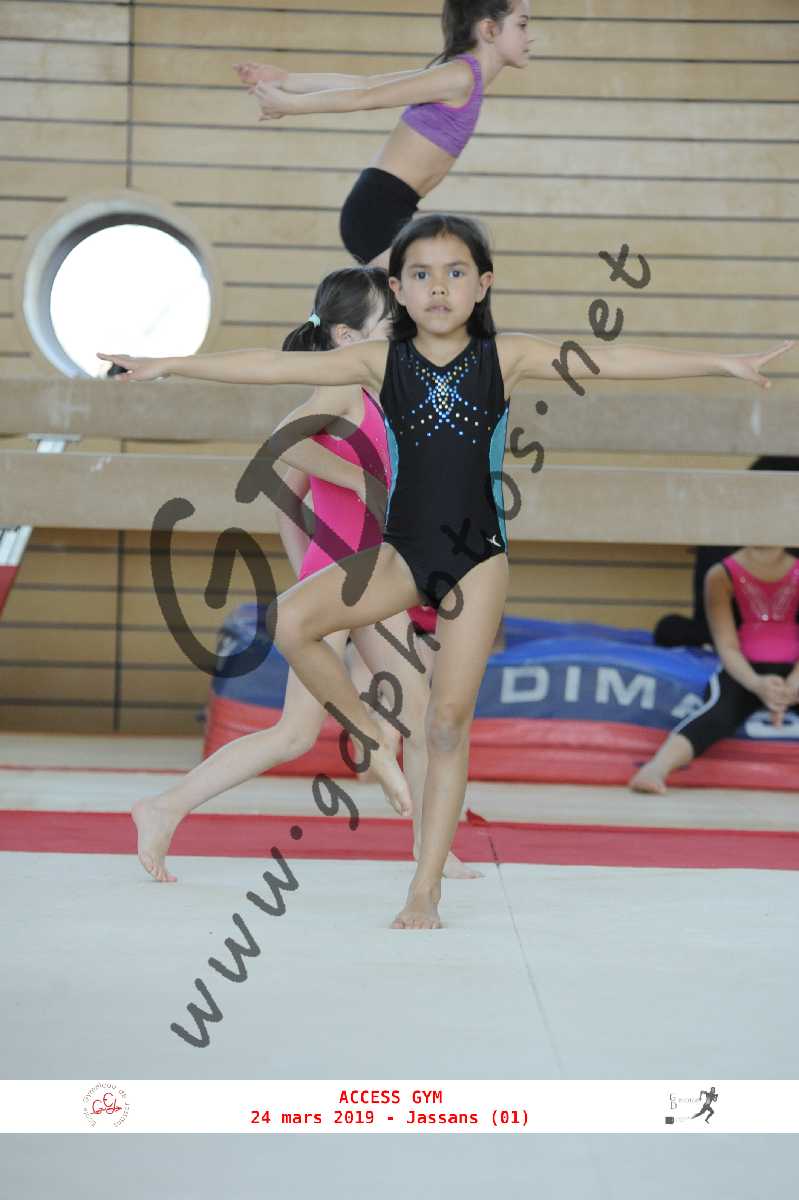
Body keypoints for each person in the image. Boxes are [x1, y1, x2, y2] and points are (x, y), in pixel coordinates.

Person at [99, 212, 793, 928]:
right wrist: (168, 363)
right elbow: (267, 367)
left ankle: (423, 889)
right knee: (294, 620)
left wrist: (720, 363)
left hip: (475, 559)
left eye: (455, 272)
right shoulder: (377, 364)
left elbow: (611, 361)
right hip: (400, 556)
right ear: (399, 289)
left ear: (482, 284)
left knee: (444, 723)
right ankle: (365, 735)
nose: (438, 288)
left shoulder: (504, 356)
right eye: (422, 275)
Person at [125, 264, 477, 883]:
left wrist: (305, 567)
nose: (403, 331)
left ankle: (433, 848)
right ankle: (164, 807)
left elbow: (287, 494)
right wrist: (359, 486)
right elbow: (281, 447)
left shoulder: (377, 392)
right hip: (344, 579)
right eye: (390, 323)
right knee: (295, 735)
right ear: (346, 337)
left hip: (368, 577)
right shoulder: (340, 387)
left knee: (414, 715)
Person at [234, 0, 533, 267]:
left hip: (386, 209)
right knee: (429, 297)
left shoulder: (460, 75)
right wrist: (290, 104)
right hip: (375, 213)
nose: (528, 36)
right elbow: (365, 94)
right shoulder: (459, 76)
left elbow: (365, 82)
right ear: (489, 29)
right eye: (521, 25)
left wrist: (288, 80)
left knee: (420, 300)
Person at [630, 545, 799, 795]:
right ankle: (657, 767)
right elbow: (727, 646)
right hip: (743, 669)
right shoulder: (720, 574)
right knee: (717, 714)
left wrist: (794, 684)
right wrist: (755, 683)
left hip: (795, 669)